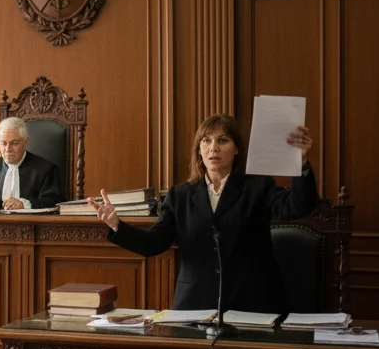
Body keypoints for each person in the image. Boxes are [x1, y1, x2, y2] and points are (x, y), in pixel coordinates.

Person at [90, 114, 316, 313]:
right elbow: (154, 243)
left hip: (252, 305)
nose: (213, 148)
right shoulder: (180, 195)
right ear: (199, 149)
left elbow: (296, 207)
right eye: (206, 141)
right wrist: (117, 225)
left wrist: (302, 163)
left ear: (236, 148)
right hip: (195, 305)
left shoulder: (257, 187)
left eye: (223, 140)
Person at [0, 117, 65, 210]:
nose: (8, 149)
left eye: (14, 143)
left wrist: (24, 204)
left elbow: (55, 201)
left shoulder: (46, 169)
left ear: (25, 142)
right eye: (3, 143)